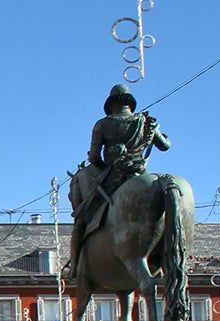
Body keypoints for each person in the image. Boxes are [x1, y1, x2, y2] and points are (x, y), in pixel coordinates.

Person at [68, 83, 171, 284]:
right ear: (129, 104)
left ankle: (74, 267)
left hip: (113, 180)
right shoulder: (146, 121)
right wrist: (157, 132)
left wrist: (108, 160)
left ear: (111, 105)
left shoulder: (103, 124)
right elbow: (165, 146)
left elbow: (95, 159)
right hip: (140, 176)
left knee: (81, 220)